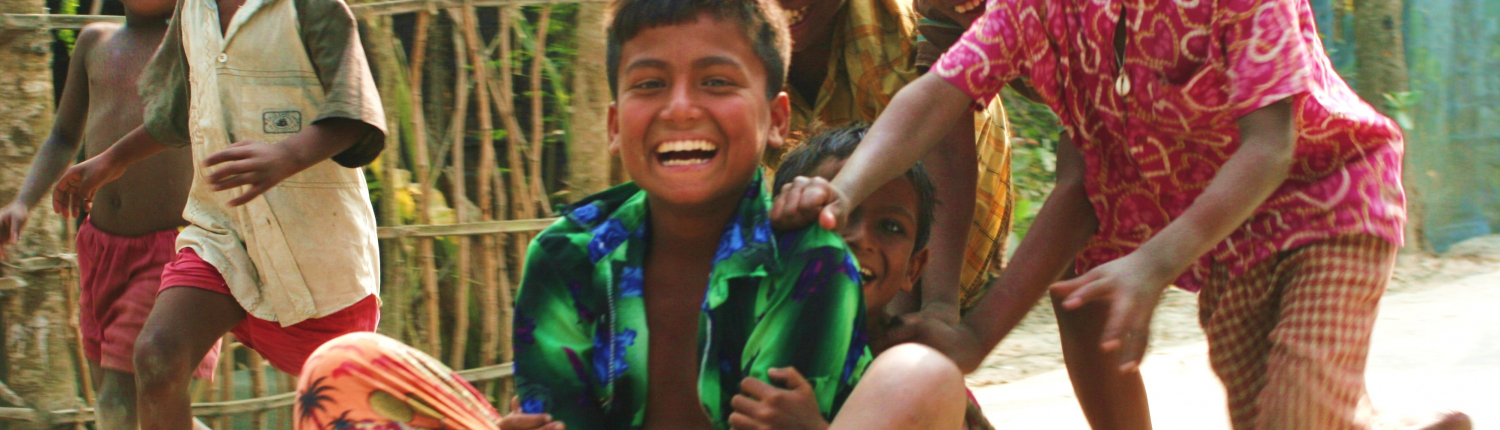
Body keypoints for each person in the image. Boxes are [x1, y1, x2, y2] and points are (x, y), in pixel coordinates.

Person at [772, 0, 1471, 428]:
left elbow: (1269, 147)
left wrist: (1151, 264)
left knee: (1296, 419)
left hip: (1327, 202)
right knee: (1270, 415)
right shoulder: (1034, 10)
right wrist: (845, 189)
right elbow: (939, 94)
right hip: (1227, 238)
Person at [504, 0, 965, 429]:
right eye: (649, 84)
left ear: (777, 120)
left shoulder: (811, 263)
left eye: (716, 82)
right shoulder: (564, 257)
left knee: (922, 375)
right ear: (614, 125)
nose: (680, 109)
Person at [50, 0, 388, 426]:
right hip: (221, 233)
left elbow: (357, 112)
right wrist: (112, 160)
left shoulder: (309, 6)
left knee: (342, 399)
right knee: (157, 357)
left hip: (315, 246)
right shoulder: (193, 11)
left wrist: (286, 155)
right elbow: (177, 112)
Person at [0, 0, 219, 427]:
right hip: (99, 248)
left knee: (120, 402)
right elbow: (63, 136)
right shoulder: (94, 42)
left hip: (172, 251)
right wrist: (23, 202)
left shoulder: (195, 44)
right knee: (123, 403)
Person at [729, 123, 993, 430]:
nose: (861, 238)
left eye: (890, 227)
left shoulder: (915, 381)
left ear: (913, 268)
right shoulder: (732, 326)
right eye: (834, 211)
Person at [771, 0, 1012, 324]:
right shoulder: (733, 34)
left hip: (957, 212)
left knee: (915, 331)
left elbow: (944, 154)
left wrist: (937, 308)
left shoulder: (903, 29)